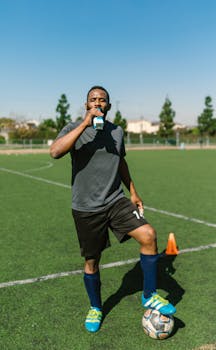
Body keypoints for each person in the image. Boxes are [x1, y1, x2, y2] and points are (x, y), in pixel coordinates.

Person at [50, 86, 176, 333]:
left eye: (102, 100)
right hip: (86, 208)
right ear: (86, 104)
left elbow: (121, 161)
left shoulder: (117, 131)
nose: (97, 103)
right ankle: (96, 307)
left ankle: (148, 295)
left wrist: (133, 191)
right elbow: (55, 152)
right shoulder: (72, 127)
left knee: (148, 235)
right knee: (92, 262)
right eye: (93, 100)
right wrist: (85, 124)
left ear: (109, 105)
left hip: (115, 200)